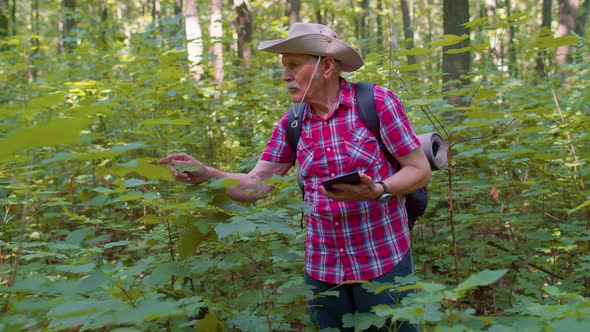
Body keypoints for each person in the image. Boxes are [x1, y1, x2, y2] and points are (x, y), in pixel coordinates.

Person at [159, 22, 431, 331]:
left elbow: (419, 170)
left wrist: (379, 189)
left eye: (293, 65)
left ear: (326, 66)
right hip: (323, 270)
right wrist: (208, 173)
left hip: (383, 260)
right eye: (283, 66)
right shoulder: (292, 124)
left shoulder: (377, 103)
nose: (285, 75)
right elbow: (254, 186)